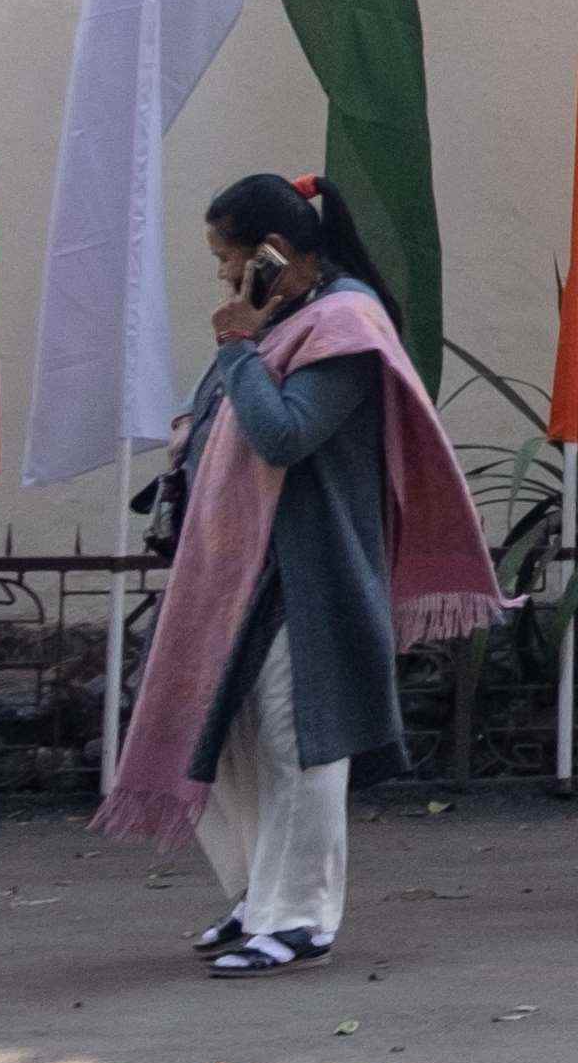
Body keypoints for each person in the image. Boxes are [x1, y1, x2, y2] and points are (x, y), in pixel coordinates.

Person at [102, 174, 499, 973]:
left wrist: (238, 347)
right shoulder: (284, 319)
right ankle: (258, 896)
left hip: (308, 568)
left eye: (229, 257)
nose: (221, 275)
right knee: (232, 738)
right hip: (236, 571)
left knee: (300, 743)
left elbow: (285, 435)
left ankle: (302, 918)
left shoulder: (345, 325)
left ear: (278, 256)